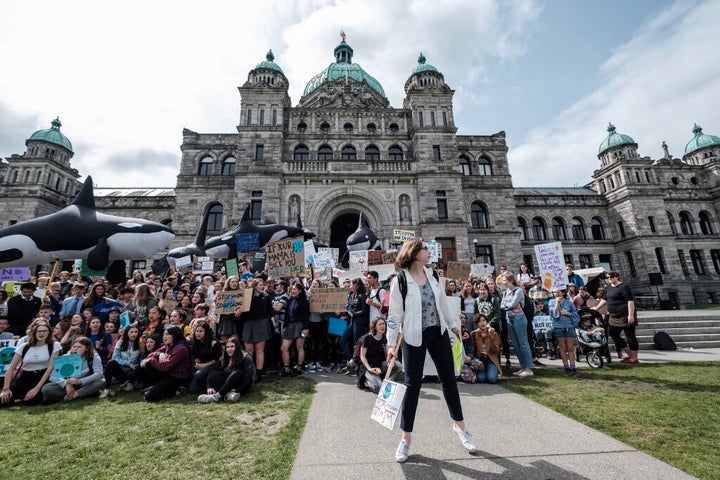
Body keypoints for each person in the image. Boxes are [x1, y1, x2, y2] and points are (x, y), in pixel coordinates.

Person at [386, 238, 478, 463]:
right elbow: (394, 315)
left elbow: (443, 304)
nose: (430, 252)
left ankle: (461, 427)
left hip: (438, 333)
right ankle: (406, 438)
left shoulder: (434, 276)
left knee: (449, 380)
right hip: (414, 337)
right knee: (412, 386)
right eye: (426, 249)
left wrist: (454, 323)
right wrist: (390, 344)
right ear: (415, 253)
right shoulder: (400, 281)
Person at [1, 320, 60, 406]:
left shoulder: (55, 345)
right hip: (25, 376)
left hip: (42, 376)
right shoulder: (24, 346)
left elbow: (50, 368)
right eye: (39, 331)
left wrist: (37, 388)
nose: (41, 333)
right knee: (3, 400)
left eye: (45, 331)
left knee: (29, 402)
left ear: (49, 332)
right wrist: (6, 389)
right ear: (34, 332)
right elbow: (11, 369)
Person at [41, 337, 105, 403]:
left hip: (85, 383)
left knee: (102, 381)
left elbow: (99, 373)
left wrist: (80, 381)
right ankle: (87, 393)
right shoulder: (66, 357)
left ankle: (75, 395)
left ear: (86, 348)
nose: (75, 349)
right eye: (74, 347)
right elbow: (53, 376)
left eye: (79, 347)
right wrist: (66, 384)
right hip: (68, 384)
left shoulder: (94, 357)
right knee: (46, 389)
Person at [140, 326, 193, 401]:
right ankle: (157, 387)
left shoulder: (181, 349)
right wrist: (160, 354)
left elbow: (165, 367)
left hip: (177, 377)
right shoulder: (168, 345)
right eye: (164, 334)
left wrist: (151, 359)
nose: (164, 337)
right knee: (148, 365)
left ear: (174, 336)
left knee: (149, 396)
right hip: (168, 374)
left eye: (167, 334)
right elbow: (152, 353)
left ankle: (176, 391)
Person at [197, 338, 255, 403]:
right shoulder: (224, 358)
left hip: (241, 385)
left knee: (237, 372)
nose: (229, 349)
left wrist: (238, 389)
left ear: (237, 347)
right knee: (215, 374)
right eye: (227, 347)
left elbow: (249, 378)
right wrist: (209, 386)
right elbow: (212, 372)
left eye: (232, 346)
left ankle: (216, 397)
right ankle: (228, 395)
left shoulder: (245, 358)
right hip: (228, 386)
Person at [499, 273, 534, 377]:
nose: (503, 282)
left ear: (510, 280)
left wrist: (507, 305)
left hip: (519, 318)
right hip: (509, 318)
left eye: (504, 280)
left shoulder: (518, 291)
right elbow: (502, 305)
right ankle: (522, 366)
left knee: (523, 343)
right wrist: (507, 306)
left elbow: (513, 304)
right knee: (515, 343)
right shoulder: (505, 292)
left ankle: (528, 367)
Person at [241, 278, 274, 381]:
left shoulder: (266, 297)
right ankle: (250, 370)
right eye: (260, 285)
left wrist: (272, 320)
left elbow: (270, 311)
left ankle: (259, 372)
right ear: (254, 286)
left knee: (259, 349)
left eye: (262, 285)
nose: (262, 286)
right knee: (248, 349)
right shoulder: (246, 297)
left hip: (261, 323)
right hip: (248, 324)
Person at [359, 317, 402, 392]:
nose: (382, 326)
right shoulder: (367, 338)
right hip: (369, 367)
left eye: (383, 324)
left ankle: (388, 380)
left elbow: (388, 353)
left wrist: (390, 361)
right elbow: (362, 356)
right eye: (379, 324)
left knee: (398, 365)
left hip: (380, 365)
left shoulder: (384, 337)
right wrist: (369, 368)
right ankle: (366, 380)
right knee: (379, 388)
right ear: (375, 327)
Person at [605, 271, 638, 364]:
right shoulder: (608, 288)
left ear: (617, 277)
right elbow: (605, 300)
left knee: (630, 336)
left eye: (611, 277)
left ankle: (634, 358)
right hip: (613, 316)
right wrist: (595, 308)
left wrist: (631, 315)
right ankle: (629, 354)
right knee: (612, 333)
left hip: (625, 314)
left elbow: (630, 301)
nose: (609, 279)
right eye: (607, 277)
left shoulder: (624, 287)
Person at [100, 324, 142, 397]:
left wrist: (136, 364)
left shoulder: (140, 343)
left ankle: (130, 383)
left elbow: (142, 358)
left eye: (136, 332)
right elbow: (115, 357)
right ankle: (107, 388)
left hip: (134, 369)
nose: (134, 334)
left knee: (137, 369)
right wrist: (128, 363)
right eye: (131, 332)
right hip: (122, 369)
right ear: (127, 333)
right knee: (111, 363)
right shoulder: (120, 342)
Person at [279, 282, 310, 377]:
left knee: (299, 347)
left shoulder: (304, 301)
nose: (292, 291)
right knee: (283, 348)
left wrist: (305, 328)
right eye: (292, 289)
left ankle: (299, 367)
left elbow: (306, 316)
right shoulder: (290, 300)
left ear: (300, 291)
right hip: (290, 326)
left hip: (300, 325)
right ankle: (286, 368)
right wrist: (285, 325)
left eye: (294, 289)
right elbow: (287, 314)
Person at [549, 289, 580, 376]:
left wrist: (567, 313)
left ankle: (573, 367)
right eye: (555, 292)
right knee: (563, 348)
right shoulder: (551, 302)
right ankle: (566, 367)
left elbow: (575, 314)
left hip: (569, 327)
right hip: (559, 327)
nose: (557, 293)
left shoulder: (569, 303)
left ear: (563, 292)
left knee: (570, 348)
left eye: (559, 291)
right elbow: (554, 313)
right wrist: (557, 303)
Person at [188, 323, 222, 393]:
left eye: (201, 331)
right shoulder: (196, 342)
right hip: (200, 365)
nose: (198, 333)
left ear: (206, 332)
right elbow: (195, 355)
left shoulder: (214, 343)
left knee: (198, 375)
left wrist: (203, 365)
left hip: (213, 366)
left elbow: (217, 360)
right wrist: (196, 361)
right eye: (197, 331)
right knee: (193, 390)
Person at [468, 313, 501, 383]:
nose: (482, 323)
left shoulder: (493, 333)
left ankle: (492, 371)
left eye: (484, 320)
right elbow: (472, 349)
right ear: (477, 324)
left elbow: (496, 351)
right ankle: (483, 372)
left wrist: (491, 338)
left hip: (490, 360)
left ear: (487, 322)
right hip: (479, 361)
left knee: (492, 379)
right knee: (481, 379)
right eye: (479, 321)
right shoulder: (473, 334)